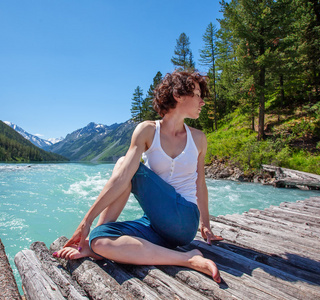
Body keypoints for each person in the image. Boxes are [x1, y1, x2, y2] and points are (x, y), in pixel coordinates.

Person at [54, 70, 223, 283]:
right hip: (155, 223)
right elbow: (120, 180)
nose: (202, 102)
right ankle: (96, 241)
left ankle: (186, 259)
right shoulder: (148, 130)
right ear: (178, 95)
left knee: (124, 165)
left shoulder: (198, 138)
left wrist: (205, 224)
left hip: (184, 220)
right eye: (198, 95)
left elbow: (200, 183)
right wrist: (86, 223)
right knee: (101, 240)